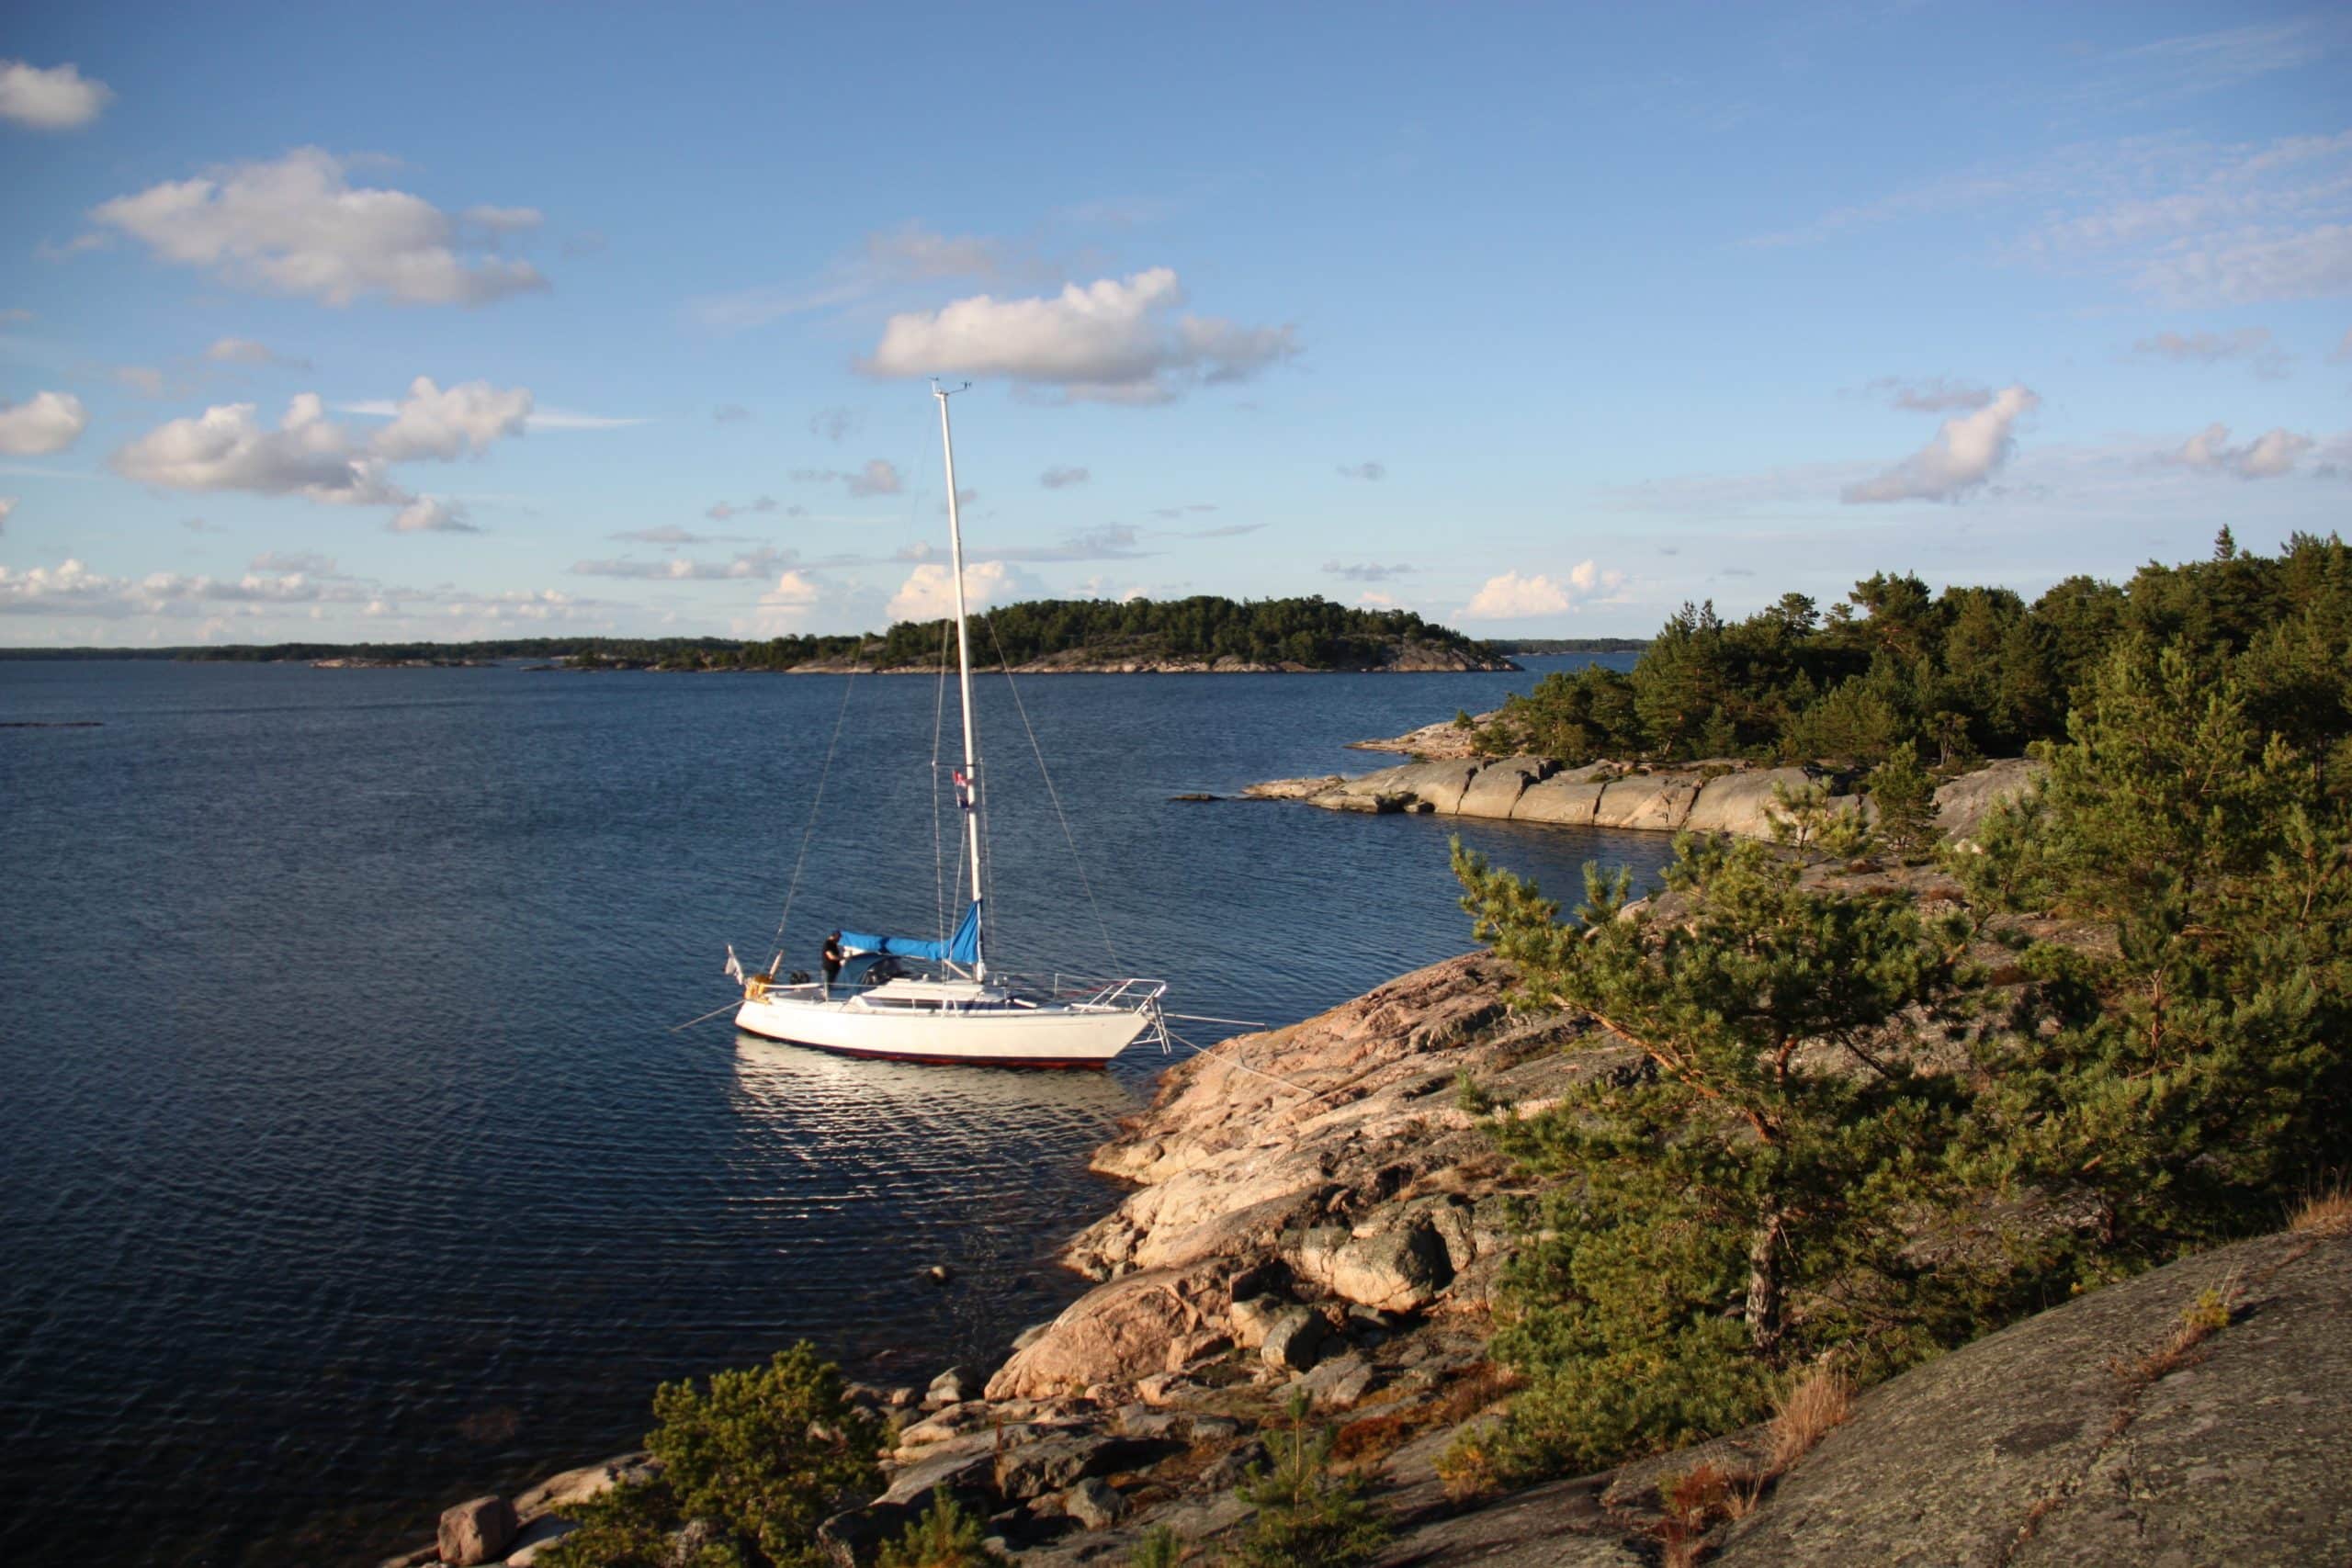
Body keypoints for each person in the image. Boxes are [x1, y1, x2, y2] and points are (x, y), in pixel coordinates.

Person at [820, 931, 844, 997]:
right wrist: (842, 958)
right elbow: (831, 956)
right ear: (835, 937)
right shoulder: (827, 944)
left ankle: (827, 997)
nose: (839, 940)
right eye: (838, 938)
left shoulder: (834, 944)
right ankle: (825, 999)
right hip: (828, 969)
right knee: (827, 987)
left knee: (830, 986)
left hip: (834, 969)